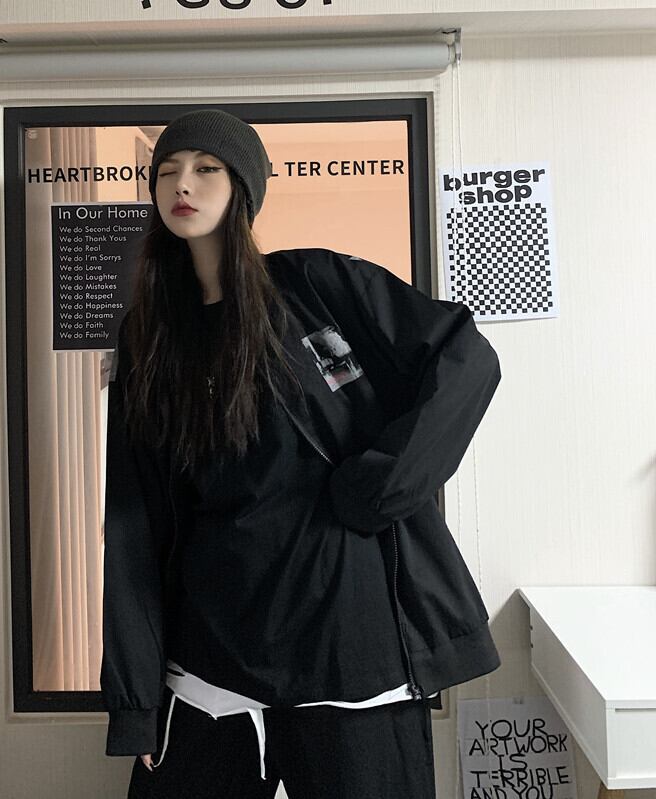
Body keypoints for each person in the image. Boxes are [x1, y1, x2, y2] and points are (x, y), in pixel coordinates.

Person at [100, 107, 502, 798]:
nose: (182, 184)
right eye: (166, 172)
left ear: (244, 189)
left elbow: (466, 358)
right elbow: (135, 522)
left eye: (206, 168)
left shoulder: (317, 287)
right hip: (211, 664)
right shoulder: (151, 336)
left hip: (349, 651)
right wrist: (136, 702)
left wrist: (383, 483)